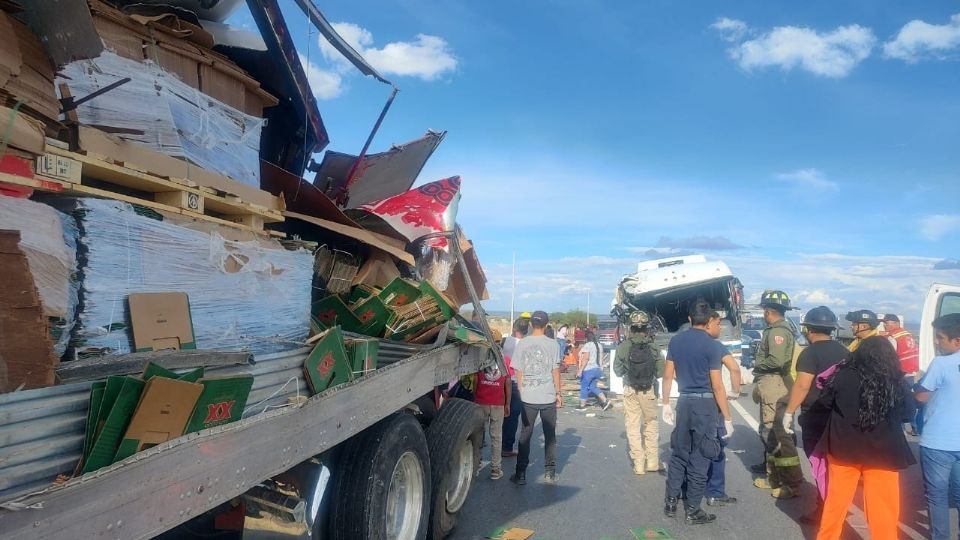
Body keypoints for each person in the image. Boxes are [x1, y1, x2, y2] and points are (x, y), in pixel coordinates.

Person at [815, 336, 916, 540]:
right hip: (885, 451)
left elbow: (825, 403)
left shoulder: (842, 375)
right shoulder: (896, 379)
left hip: (843, 446)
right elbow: (907, 413)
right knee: (884, 507)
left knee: (836, 501)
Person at [661, 301, 734, 525]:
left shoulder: (676, 340)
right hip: (705, 406)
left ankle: (671, 502)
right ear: (708, 320)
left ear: (690, 319)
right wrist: (728, 416)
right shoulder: (712, 345)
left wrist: (665, 403)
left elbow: (667, 375)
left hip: (683, 402)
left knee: (679, 454)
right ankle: (692, 510)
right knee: (701, 458)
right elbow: (717, 385)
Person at [782, 306, 849, 522]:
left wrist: (789, 413)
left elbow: (802, 386)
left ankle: (824, 510)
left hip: (815, 417)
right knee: (836, 464)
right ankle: (837, 504)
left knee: (819, 464)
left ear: (809, 329)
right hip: (839, 417)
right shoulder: (845, 352)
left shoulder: (809, 353)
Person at [751, 290, 803, 499]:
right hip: (773, 383)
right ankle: (775, 477)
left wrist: (756, 365)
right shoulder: (780, 330)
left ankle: (790, 481)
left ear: (768, 311)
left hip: (774, 382)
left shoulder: (777, 332)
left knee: (775, 433)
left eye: (764, 310)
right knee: (770, 432)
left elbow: (777, 361)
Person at [912, 313, 960, 540]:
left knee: (937, 496)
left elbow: (921, 397)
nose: (936, 343)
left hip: (938, 442)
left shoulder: (942, 363)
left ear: (957, 340)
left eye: (940, 338)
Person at [510, 311, 562, 485]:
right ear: (547, 325)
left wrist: (521, 390)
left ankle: (520, 474)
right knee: (550, 436)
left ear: (531, 324)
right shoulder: (553, 344)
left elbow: (519, 371)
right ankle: (550, 472)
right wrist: (558, 393)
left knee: (525, 434)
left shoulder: (523, 343)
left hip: (528, 398)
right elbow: (555, 371)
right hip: (548, 396)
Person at [613, 311, 663, 474]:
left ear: (631, 327)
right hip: (649, 390)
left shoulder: (624, 346)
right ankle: (653, 462)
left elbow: (617, 371)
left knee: (633, 426)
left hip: (630, 390)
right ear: (647, 328)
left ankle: (639, 463)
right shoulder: (653, 346)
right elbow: (661, 372)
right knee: (651, 424)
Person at [705, 312, 742, 507]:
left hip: (690, 402)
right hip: (713, 402)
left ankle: (690, 488)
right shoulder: (715, 346)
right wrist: (735, 391)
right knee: (717, 448)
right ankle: (715, 492)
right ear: (709, 322)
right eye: (718, 324)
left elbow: (672, 373)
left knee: (694, 446)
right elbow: (734, 369)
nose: (720, 328)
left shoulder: (680, 343)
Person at [473, 329, 511, 480]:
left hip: (481, 401)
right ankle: (496, 469)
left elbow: (475, 379)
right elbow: (507, 382)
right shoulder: (505, 360)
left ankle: (476, 465)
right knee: (496, 436)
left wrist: (475, 395)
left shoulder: (480, 358)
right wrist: (507, 403)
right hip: (498, 403)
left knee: (478, 435)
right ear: (500, 342)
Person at [501, 319, 527, 457]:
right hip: (516, 383)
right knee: (512, 416)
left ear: (514, 328)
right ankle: (506, 447)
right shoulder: (526, 345)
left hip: (502, 381)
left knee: (500, 414)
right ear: (525, 331)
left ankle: (497, 443)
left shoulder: (504, 341)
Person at [577, 330, 611, 411]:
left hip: (588, 370)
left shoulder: (587, 345)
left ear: (586, 338)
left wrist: (580, 370)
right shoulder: (599, 345)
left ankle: (582, 406)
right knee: (593, 387)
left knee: (584, 387)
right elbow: (601, 359)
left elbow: (586, 359)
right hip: (597, 369)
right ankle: (605, 401)